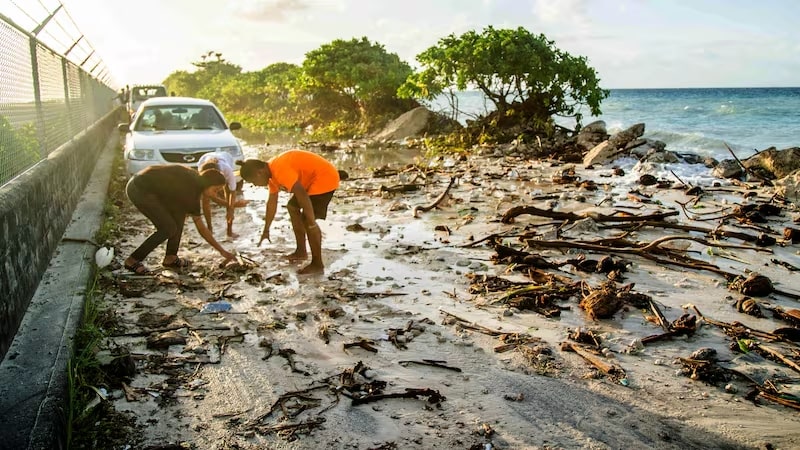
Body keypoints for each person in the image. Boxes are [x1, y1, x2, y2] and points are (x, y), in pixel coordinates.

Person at [237, 150, 340, 274]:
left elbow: (301, 193)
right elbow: (271, 203)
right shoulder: (271, 175)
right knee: (292, 207)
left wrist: (311, 221)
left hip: (325, 177)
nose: (255, 185)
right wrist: (266, 230)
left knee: (307, 220)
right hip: (309, 181)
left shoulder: (279, 170)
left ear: (259, 173)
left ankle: (317, 264)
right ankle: (301, 251)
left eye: (253, 182)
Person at [123, 164, 236, 274]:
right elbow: (201, 228)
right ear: (207, 183)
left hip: (151, 189)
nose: (214, 195)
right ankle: (133, 260)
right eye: (215, 190)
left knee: (179, 216)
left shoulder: (195, 181)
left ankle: (170, 258)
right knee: (168, 228)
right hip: (139, 189)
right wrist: (222, 251)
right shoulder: (190, 192)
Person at [196, 151, 247, 238]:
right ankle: (210, 229)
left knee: (227, 192)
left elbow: (232, 192)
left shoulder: (227, 171)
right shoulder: (202, 168)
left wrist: (231, 209)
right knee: (206, 198)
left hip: (226, 159)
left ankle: (229, 231)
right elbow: (209, 197)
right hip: (204, 159)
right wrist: (234, 205)